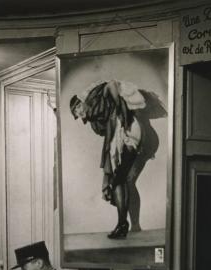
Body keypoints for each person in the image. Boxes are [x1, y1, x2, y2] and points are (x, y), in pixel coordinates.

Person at [70, 80, 166, 238]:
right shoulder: (94, 115)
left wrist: (119, 108)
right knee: (127, 181)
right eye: (77, 115)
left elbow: (111, 85)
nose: (79, 114)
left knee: (119, 180)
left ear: (81, 102)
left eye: (78, 109)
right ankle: (134, 225)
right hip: (135, 137)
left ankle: (123, 225)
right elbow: (104, 129)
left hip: (132, 133)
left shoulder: (93, 99)